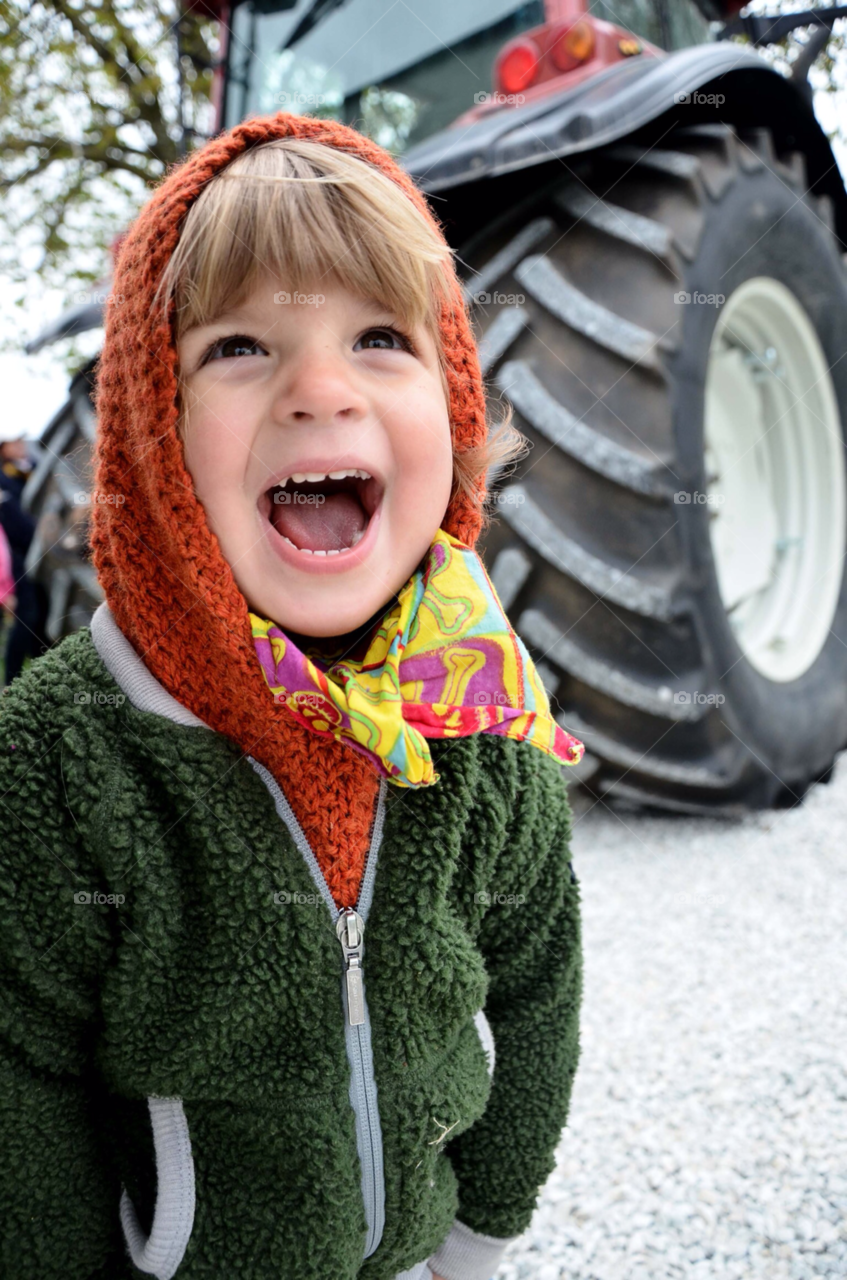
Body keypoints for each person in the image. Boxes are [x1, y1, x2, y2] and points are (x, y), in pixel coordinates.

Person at [0, 113, 584, 1280]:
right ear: (152, 436)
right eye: (239, 348)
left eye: (379, 336)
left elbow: (539, 987)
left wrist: (485, 1226)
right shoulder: (62, 753)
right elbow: (21, 1068)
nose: (321, 389)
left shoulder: (480, 722)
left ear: (456, 404)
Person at [0, 431, 49, 685]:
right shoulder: (3, 480)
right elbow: (17, 525)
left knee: (40, 617)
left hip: (39, 556)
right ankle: (10, 682)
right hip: (18, 560)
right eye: (14, 442)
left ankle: (45, 677)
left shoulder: (30, 472)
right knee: (25, 617)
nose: (21, 446)